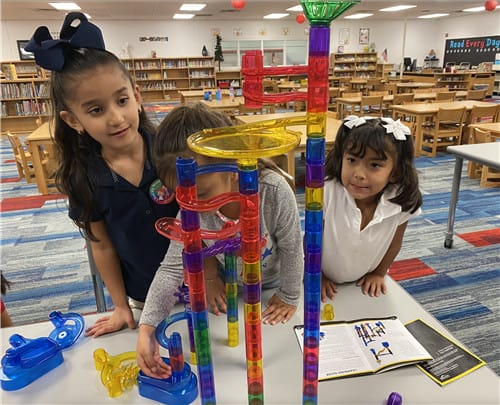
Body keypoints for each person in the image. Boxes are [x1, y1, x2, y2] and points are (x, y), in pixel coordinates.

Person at [25, 13, 179, 337]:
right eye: (96, 110)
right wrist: (121, 306)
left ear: (136, 97)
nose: (115, 117)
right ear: (73, 120)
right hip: (143, 297)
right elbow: (103, 248)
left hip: (199, 286)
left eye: (122, 101)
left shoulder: (170, 152)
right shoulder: (84, 178)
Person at [136, 103, 303, 378]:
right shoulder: (191, 203)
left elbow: (293, 246)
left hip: (269, 288)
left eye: (200, 194)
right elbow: (172, 267)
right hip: (229, 295)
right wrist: (147, 327)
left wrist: (289, 295)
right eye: (182, 196)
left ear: (232, 166)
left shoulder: (272, 191)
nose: (192, 204)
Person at [321, 115, 422, 301]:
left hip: (360, 285)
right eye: (351, 160)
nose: (359, 174)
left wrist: (379, 273)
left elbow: (394, 243)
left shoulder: (400, 202)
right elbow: (311, 238)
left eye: (374, 165)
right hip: (323, 280)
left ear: (395, 172)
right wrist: (316, 275)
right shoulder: (328, 191)